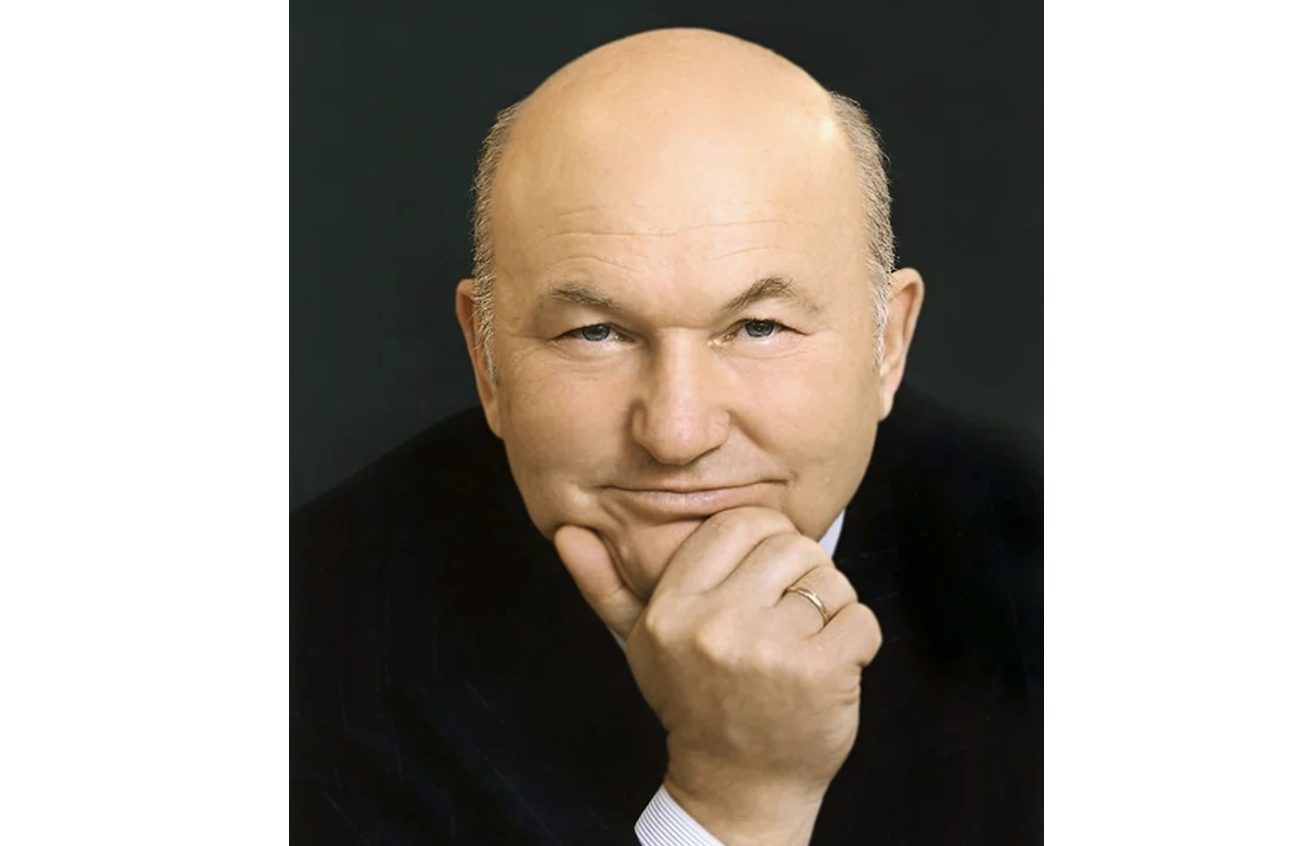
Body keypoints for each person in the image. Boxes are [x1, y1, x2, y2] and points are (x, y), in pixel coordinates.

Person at [291, 27, 1042, 845]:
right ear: (486, 357)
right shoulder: (302, 645)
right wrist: (735, 804)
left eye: (758, 327)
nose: (678, 434)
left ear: (887, 345)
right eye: (596, 333)